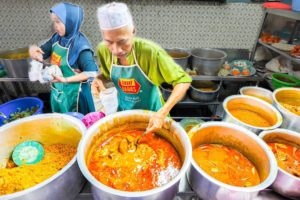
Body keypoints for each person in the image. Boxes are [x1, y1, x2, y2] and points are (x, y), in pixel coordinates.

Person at [92, 2, 191, 133]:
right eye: (109, 42)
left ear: (133, 31)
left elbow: (183, 80)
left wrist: (162, 112)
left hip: (154, 115)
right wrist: (98, 80)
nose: (116, 50)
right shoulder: (103, 51)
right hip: (124, 112)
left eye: (123, 41)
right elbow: (107, 75)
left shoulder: (149, 52)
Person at [29, 2, 98, 115]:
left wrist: (66, 80)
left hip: (76, 96)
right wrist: (35, 53)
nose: (55, 26)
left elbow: (91, 72)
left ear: (70, 22)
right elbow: (43, 52)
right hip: (59, 92)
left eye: (58, 22)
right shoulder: (57, 38)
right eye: (54, 22)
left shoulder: (81, 46)